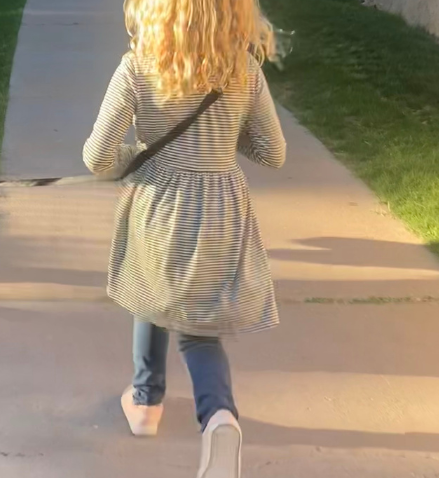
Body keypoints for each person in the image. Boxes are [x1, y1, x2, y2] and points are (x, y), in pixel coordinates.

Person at [82, 1, 286, 477]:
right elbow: (272, 152)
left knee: (152, 290)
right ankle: (207, 414)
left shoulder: (137, 68)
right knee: (195, 323)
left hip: (160, 205)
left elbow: (98, 157)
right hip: (222, 211)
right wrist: (224, 136)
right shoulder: (243, 70)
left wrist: (137, 158)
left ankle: (158, 404)